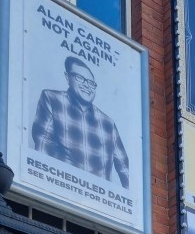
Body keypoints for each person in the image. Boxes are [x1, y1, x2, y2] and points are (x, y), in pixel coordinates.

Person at [31, 55, 129, 187]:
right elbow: (43, 145)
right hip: (59, 189)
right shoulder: (52, 99)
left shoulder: (108, 123)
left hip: (99, 201)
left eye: (91, 83)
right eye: (80, 78)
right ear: (68, 78)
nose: (87, 86)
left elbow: (124, 167)